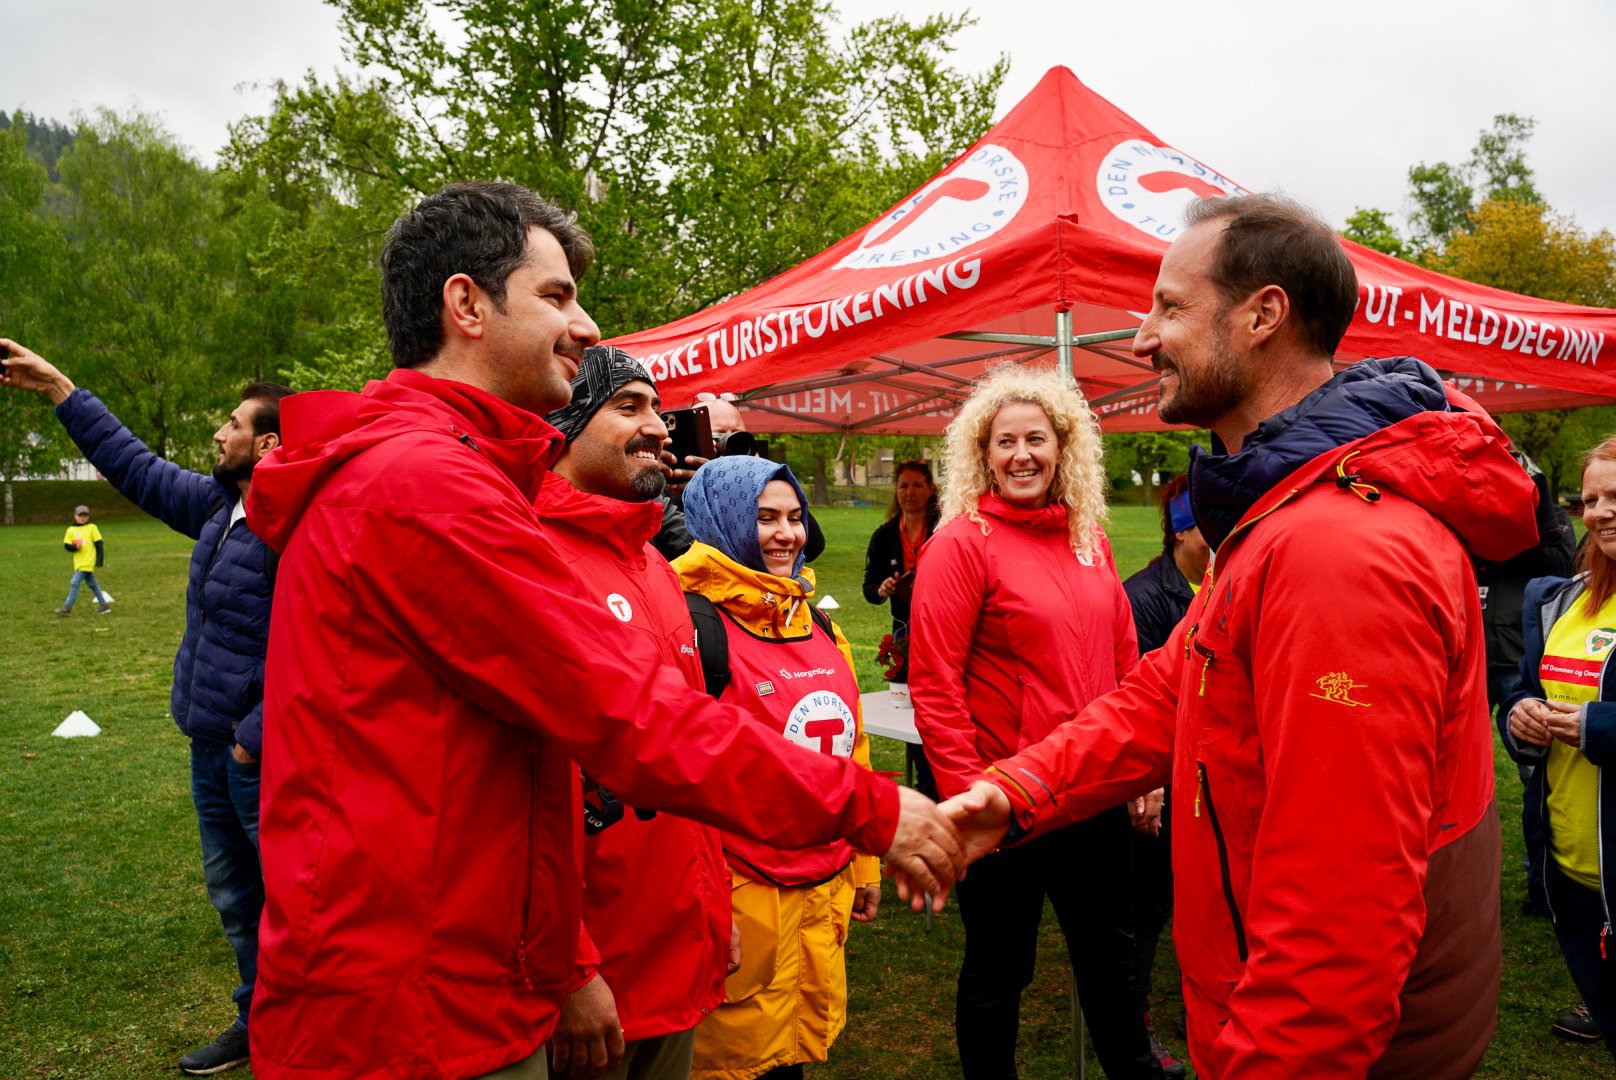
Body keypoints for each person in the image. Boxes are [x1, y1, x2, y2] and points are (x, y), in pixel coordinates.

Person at [242, 182, 962, 1080]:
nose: (584, 327)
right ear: (467, 304)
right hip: (415, 1008)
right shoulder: (426, 486)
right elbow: (631, 717)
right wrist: (874, 808)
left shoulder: (449, 476)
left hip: (450, 977)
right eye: (556, 296)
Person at [931, 194, 1540, 1077]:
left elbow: (1335, 933)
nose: (1143, 339)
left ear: (1263, 316)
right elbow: (1170, 688)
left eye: (1171, 308)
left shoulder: (1336, 550)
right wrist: (1013, 793)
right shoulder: (1284, 509)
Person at [0, 342, 292, 1075]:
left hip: (258, 758)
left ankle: (307, 1027)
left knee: (288, 902)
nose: (218, 433)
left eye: (233, 424)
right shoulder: (220, 506)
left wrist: (252, 739)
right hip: (207, 743)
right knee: (234, 894)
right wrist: (60, 388)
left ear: (267, 444)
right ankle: (257, 1019)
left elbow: (319, 643)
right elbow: (133, 465)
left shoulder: (294, 527)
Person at [908, 366, 1161, 1079]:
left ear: (1062, 447)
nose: (1022, 455)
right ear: (984, 455)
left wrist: (1142, 770)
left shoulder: (1090, 538)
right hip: (1005, 803)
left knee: (1114, 971)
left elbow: (1127, 664)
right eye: (1005, 442)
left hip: (1092, 796)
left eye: (1036, 440)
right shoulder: (962, 543)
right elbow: (935, 684)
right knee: (999, 972)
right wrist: (971, 799)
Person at [536, 344, 733, 1080]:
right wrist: (572, 969)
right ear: (565, 424)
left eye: (656, 408)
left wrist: (714, 909)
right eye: (628, 406)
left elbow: (690, 749)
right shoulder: (530, 558)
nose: (658, 426)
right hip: (593, 978)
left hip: (676, 944)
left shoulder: (652, 560)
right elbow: (521, 795)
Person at [672, 455, 882, 1080]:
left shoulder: (819, 625)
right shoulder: (689, 627)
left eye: (795, 517)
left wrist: (864, 862)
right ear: (723, 520)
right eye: (765, 518)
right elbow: (670, 785)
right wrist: (706, 905)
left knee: (787, 1061)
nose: (786, 534)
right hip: (739, 903)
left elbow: (853, 750)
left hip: (818, 897)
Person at [1498, 433, 1616, 1062]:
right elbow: (1523, 690)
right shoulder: (1563, 599)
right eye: (1591, 499)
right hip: (1569, 866)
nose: (1601, 512)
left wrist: (1599, 727)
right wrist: (1519, 716)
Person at [1119, 474, 1206, 1080]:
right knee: (1146, 910)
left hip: (1210, 781)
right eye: (1206, 522)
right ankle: (1137, 1025)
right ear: (1180, 530)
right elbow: (1137, 699)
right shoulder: (1145, 597)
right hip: (1160, 785)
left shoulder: (1230, 580)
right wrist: (1146, 784)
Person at [861, 459, 939, 640]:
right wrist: (882, 589)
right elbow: (869, 588)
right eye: (903, 486)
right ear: (896, 490)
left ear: (931, 488)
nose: (910, 492)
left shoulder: (944, 529)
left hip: (942, 621)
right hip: (903, 626)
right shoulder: (883, 536)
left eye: (917, 485)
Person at [56, 503, 111, 615]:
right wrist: (75, 547)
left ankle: (67, 608)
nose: (83, 518)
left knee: (74, 582)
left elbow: (99, 544)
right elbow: (67, 546)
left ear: (88, 517)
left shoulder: (92, 528)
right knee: (92, 584)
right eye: (80, 515)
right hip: (78, 563)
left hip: (88, 561)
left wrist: (99, 561)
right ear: (75, 516)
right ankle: (104, 605)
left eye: (85, 515)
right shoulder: (71, 530)